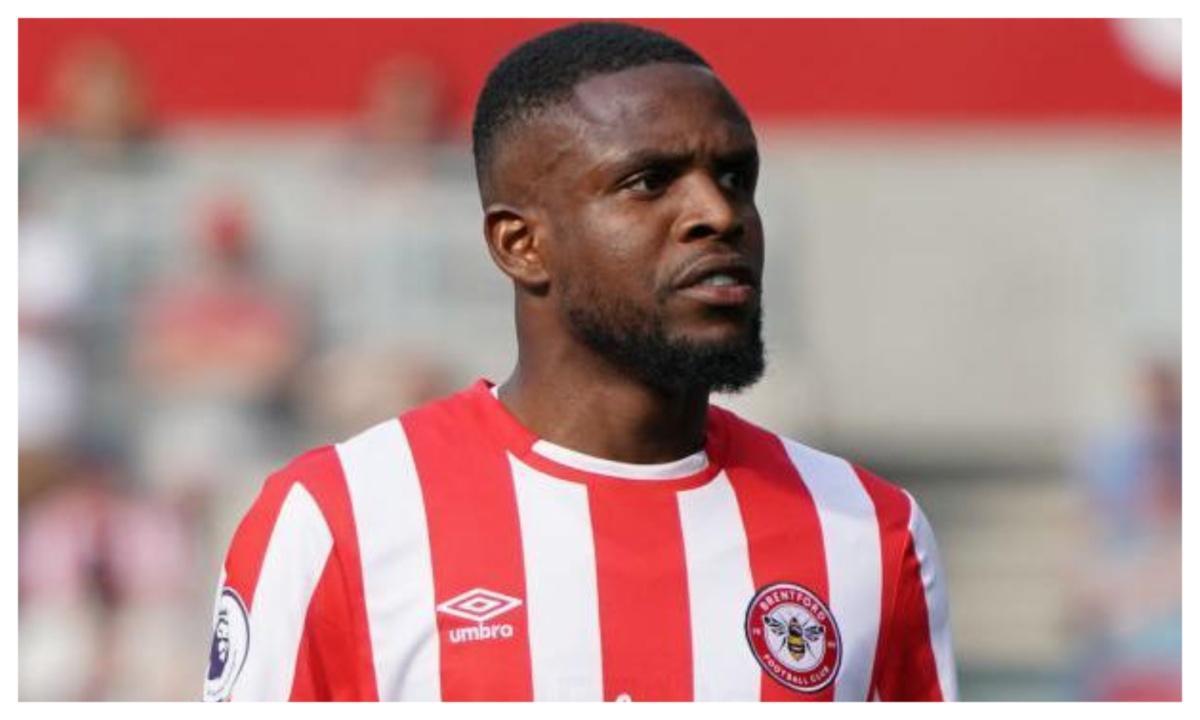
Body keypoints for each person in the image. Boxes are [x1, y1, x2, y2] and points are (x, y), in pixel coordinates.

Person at [204, 22, 957, 702]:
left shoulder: (867, 530)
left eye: (735, 177)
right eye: (649, 182)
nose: (718, 214)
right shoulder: (338, 522)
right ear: (521, 245)